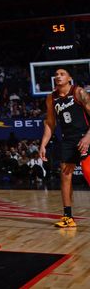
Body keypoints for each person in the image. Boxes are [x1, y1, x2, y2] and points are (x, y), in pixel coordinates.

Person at [39, 67, 90, 228]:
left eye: (62, 74)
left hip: (85, 135)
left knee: (88, 173)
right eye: (56, 75)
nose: (58, 76)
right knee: (65, 176)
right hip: (68, 140)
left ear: (69, 78)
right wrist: (43, 144)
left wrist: (88, 137)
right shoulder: (51, 98)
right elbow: (50, 123)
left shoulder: (79, 92)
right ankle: (68, 217)